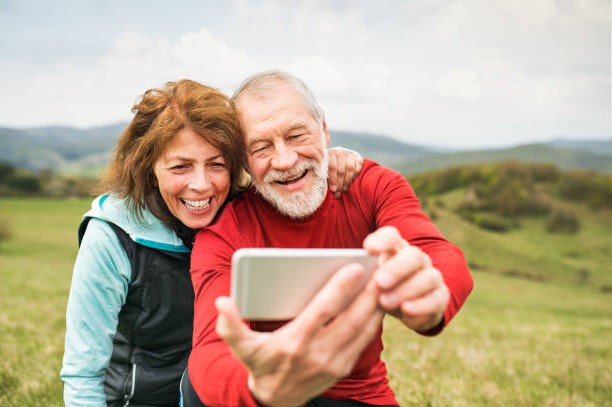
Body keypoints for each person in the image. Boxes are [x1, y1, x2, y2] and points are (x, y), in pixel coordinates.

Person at [60, 78, 364, 406]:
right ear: (150, 170)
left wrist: (330, 159)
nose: (202, 185)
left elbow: (287, 171)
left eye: (216, 165)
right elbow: (83, 374)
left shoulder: (240, 214)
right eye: (181, 167)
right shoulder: (111, 236)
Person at [185, 71, 474, 407]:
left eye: (296, 136)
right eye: (261, 147)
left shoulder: (373, 187)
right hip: (266, 391)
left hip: (356, 395)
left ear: (323, 129)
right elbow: (210, 354)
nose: (285, 160)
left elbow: (436, 252)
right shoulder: (225, 232)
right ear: (245, 161)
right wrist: (259, 386)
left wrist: (431, 291)